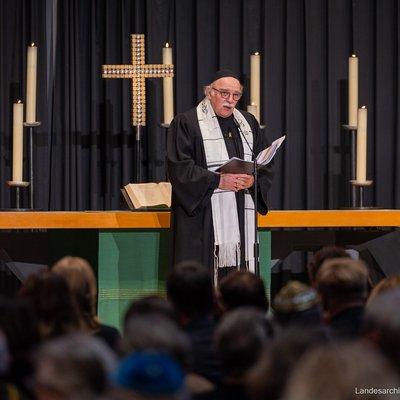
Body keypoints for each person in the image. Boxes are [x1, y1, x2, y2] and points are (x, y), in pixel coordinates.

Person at [167, 69, 274, 282]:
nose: (230, 100)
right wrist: (217, 180)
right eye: (224, 93)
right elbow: (179, 169)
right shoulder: (187, 123)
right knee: (201, 280)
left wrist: (254, 179)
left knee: (239, 278)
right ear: (209, 92)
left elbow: (264, 164)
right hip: (202, 219)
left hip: (241, 214)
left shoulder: (248, 123)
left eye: (236, 95)